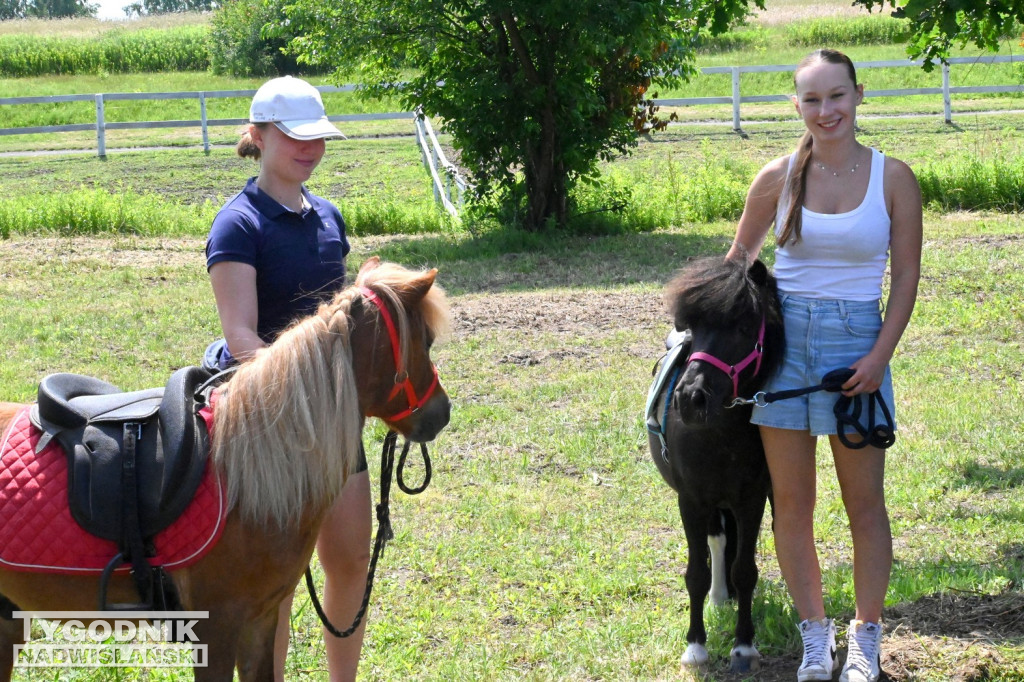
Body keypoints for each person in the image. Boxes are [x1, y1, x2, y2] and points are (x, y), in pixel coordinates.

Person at [726, 49, 922, 682]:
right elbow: (737, 266)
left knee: (865, 504)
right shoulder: (776, 177)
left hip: (857, 344)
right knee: (793, 504)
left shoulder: (894, 178)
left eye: (836, 96)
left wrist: (878, 355)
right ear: (796, 105)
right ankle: (816, 636)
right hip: (785, 346)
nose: (826, 110)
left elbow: (907, 276)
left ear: (859, 95)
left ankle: (866, 638)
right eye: (812, 99)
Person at [203, 75, 370, 682]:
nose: (309, 149)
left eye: (317, 138)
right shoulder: (238, 225)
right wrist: (304, 397)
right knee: (271, 575)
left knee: (350, 556)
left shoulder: (329, 217)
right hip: (267, 419)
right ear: (259, 135)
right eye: (294, 137)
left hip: (331, 414)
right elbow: (242, 337)